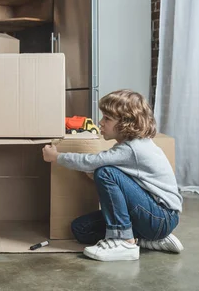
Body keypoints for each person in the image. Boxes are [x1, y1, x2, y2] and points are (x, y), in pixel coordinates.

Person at [42, 89, 183, 262]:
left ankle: (122, 240)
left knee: (105, 171)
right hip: (154, 217)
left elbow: (92, 161)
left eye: (107, 118)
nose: (100, 122)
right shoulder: (132, 147)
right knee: (81, 229)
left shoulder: (132, 148)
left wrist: (56, 157)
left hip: (161, 217)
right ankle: (150, 239)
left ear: (126, 123)